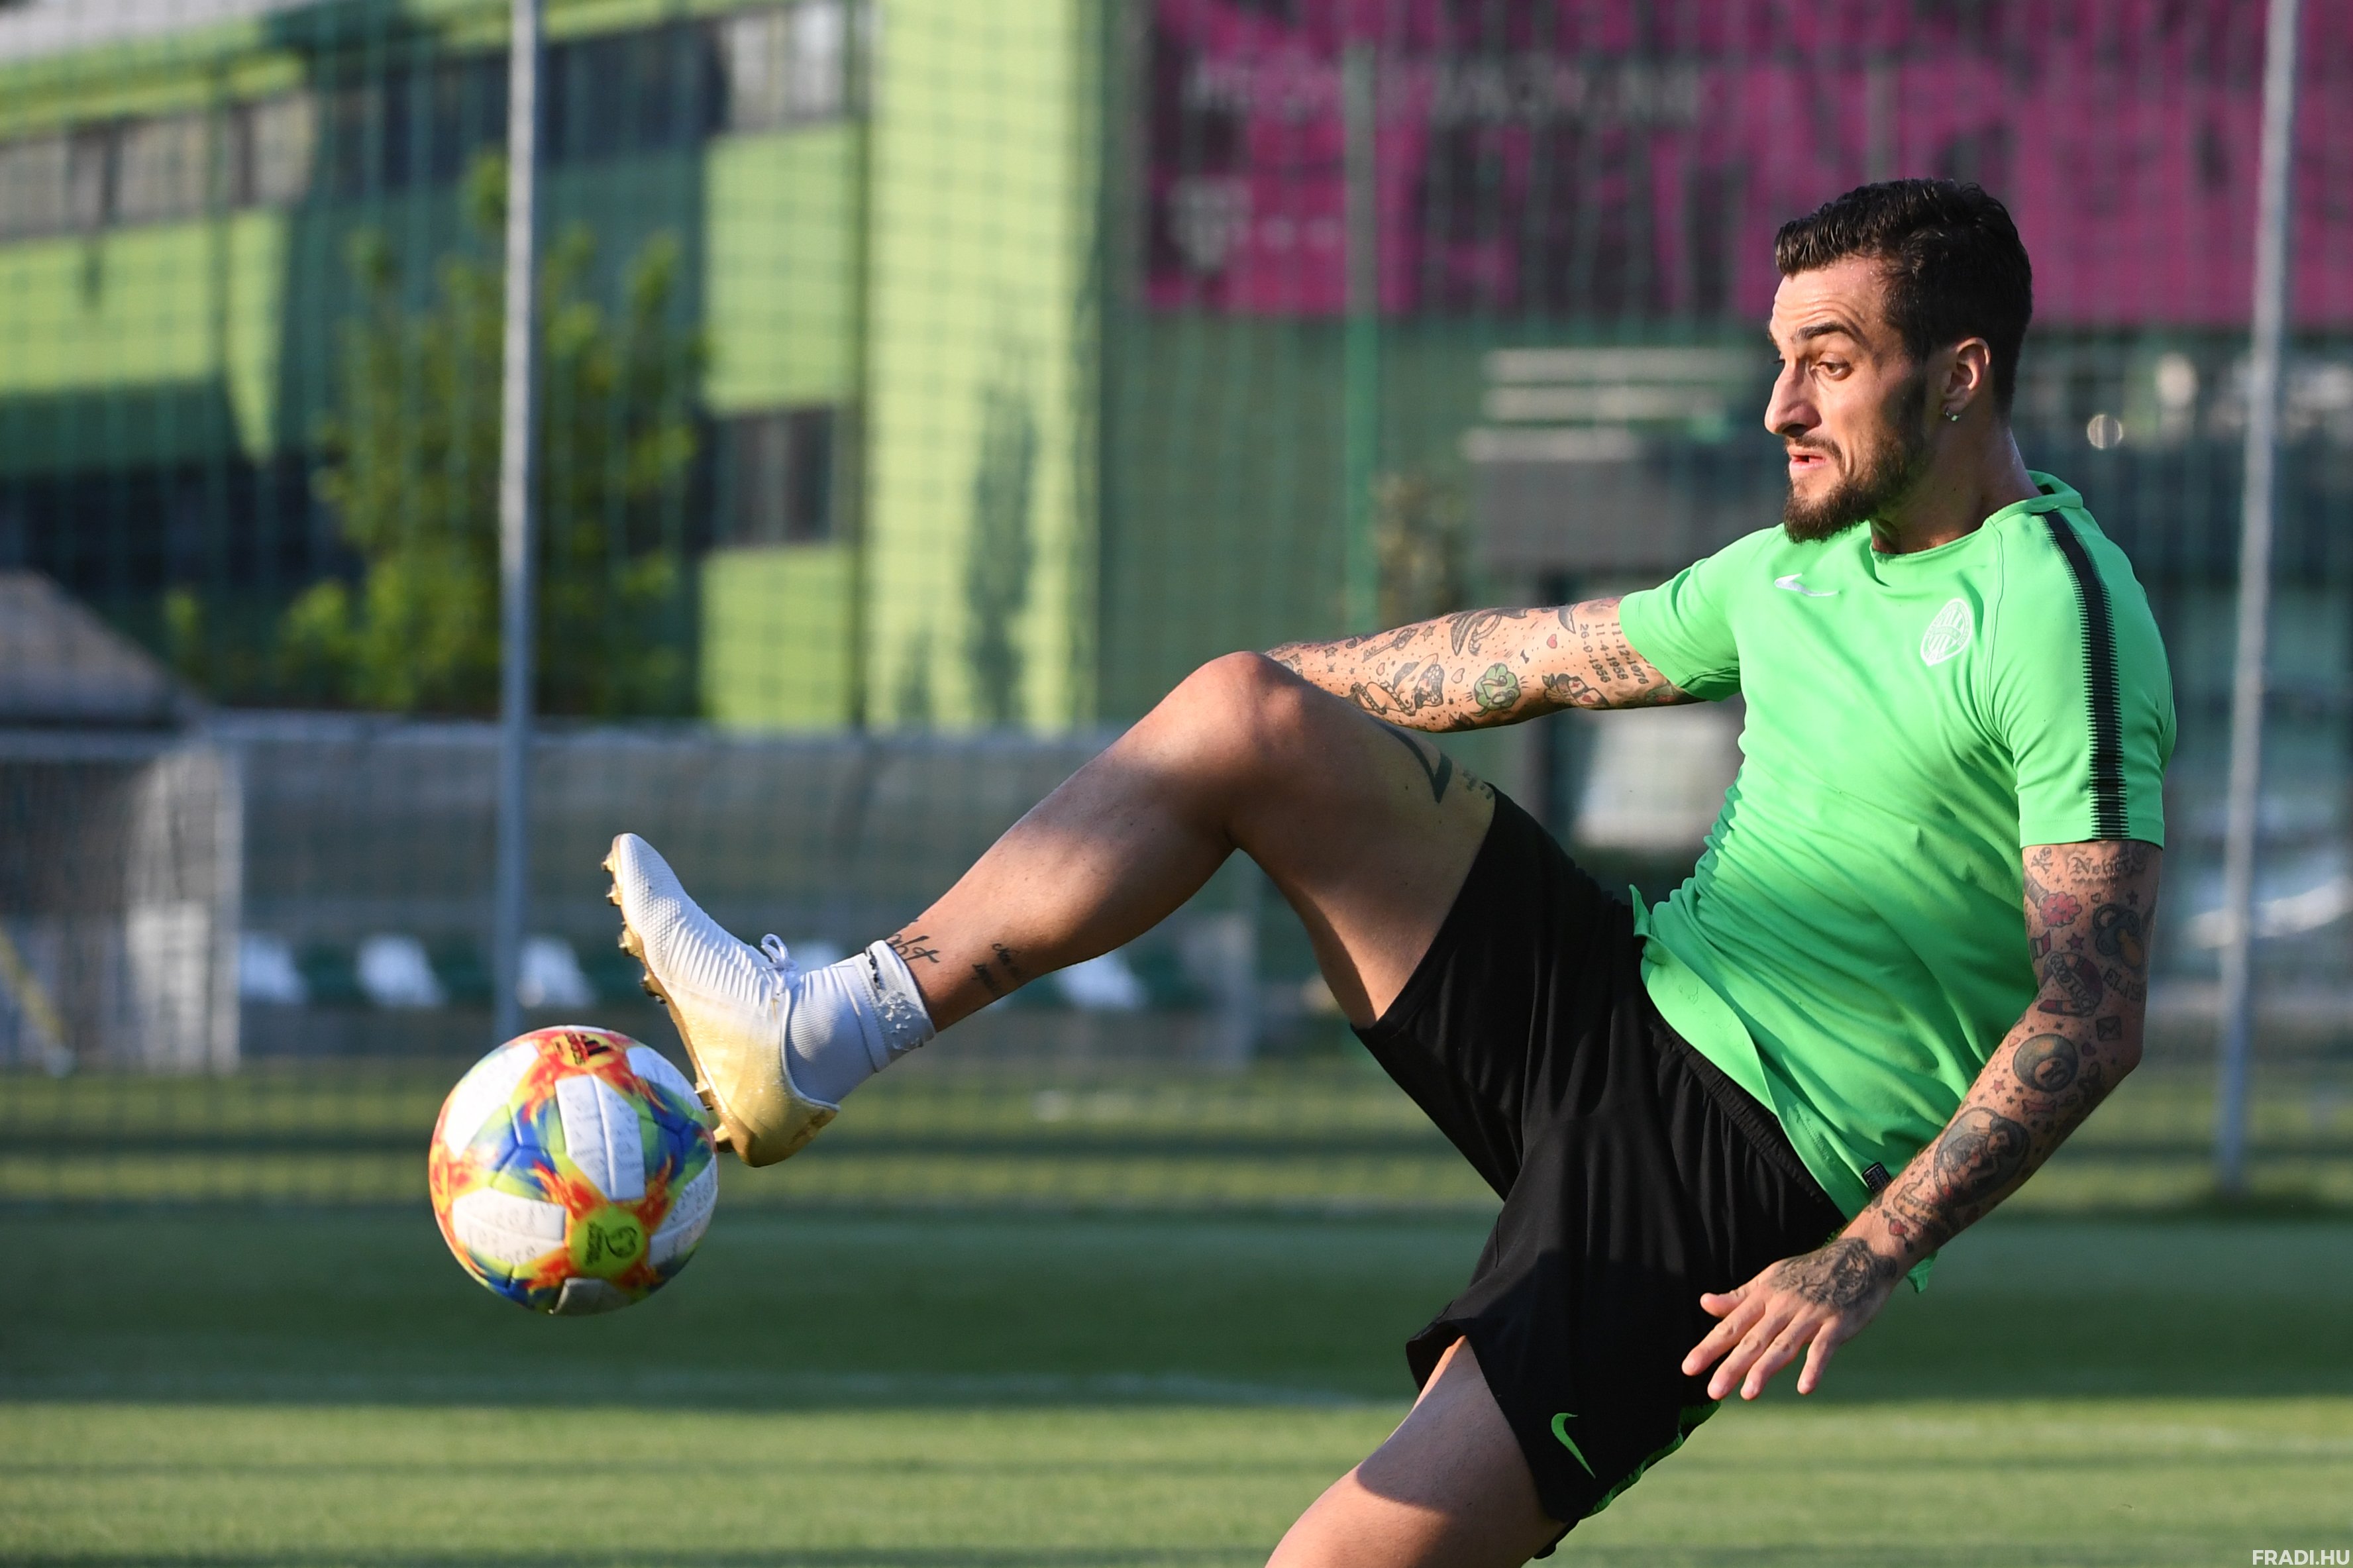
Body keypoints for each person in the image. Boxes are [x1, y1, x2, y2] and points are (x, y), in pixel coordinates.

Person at [605, 179, 2172, 1567]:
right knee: (1241, 709)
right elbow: (1530, 657)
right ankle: (825, 1029)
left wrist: (1863, 1253)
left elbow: (2091, 1012)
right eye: (1780, 358)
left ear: (1959, 374)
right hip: (1609, 1000)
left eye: (1828, 361)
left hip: (1732, 1173)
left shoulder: (2056, 609)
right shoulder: (1794, 565)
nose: (1781, 405)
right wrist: (1230, 730)